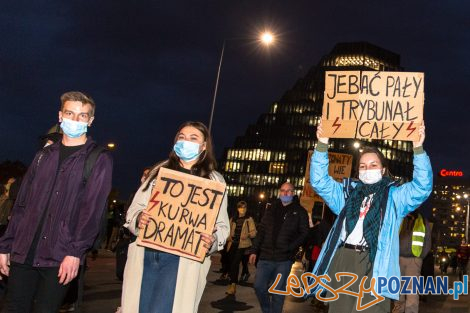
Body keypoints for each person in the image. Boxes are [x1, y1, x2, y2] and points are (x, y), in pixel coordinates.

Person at [0, 91, 113, 313]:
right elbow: (22, 205)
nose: (75, 119)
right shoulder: (44, 155)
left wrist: (75, 252)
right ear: (60, 116)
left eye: (82, 115)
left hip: (60, 254)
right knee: (13, 308)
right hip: (24, 250)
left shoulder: (98, 158)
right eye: (70, 113)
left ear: (90, 121)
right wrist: (5, 245)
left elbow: (92, 211)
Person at [309, 121, 432, 313]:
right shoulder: (347, 194)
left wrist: (418, 149)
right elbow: (319, 181)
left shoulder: (394, 197)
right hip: (344, 258)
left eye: (373, 164)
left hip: (376, 262)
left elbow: (421, 188)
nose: (368, 169)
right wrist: (322, 144)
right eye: (363, 166)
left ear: (383, 170)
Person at [120, 121, 229, 313]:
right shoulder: (158, 171)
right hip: (147, 254)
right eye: (182, 137)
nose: (186, 141)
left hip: (183, 261)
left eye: (193, 138)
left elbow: (222, 225)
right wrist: (139, 219)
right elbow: (134, 209)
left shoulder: (214, 181)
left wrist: (211, 241)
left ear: (204, 146)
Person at [248, 182, 309, 313]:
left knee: (278, 292)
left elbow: (304, 233)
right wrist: (254, 250)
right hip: (265, 256)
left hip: (284, 259)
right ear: (279, 192)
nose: (285, 193)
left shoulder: (300, 212)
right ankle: (267, 310)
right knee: (259, 286)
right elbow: (262, 231)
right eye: (283, 190)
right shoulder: (271, 209)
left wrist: (290, 247)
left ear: (293, 193)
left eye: (288, 191)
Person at [392, 211, 431, 313]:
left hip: (414, 261)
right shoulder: (400, 217)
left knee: (412, 290)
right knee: (398, 289)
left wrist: (420, 257)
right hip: (398, 258)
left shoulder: (422, 221)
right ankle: (398, 310)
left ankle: (411, 311)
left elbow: (427, 241)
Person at [225, 201, 257, 295]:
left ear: (246, 208)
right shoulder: (233, 219)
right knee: (231, 264)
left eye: (244, 207)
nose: (242, 209)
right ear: (237, 208)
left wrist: (246, 235)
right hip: (232, 244)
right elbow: (227, 231)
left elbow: (254, 232)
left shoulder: (249, 219)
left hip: (242, 245)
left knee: (235, 264)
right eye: (240, 207)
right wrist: (229, 237)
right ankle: (232, 284)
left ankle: (233, 285)